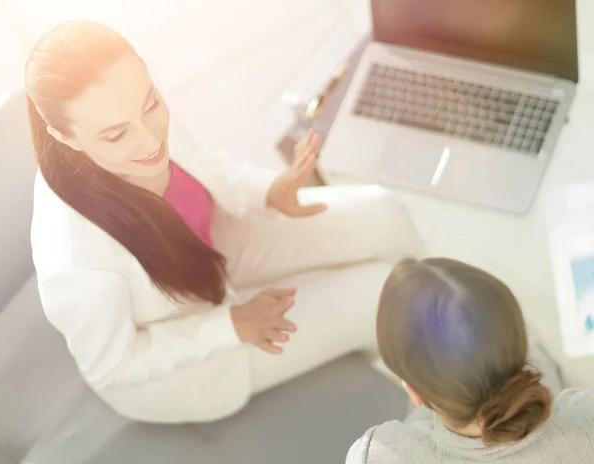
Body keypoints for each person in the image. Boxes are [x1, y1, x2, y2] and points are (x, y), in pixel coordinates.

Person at [27, 19, 421, 423]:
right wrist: (230, 326)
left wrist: (269, 191)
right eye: (116, 136)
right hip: (191, 346)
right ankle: (430, 379)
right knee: (383, 295)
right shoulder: (75, 261)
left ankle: (427, 328)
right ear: (64, 136)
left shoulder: (129, 102)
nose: (150, 142)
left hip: (214, 246)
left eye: (151, 106)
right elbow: (112, 368)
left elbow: (207, 163)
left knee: (385, 212)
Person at [347, 258, 594, 463]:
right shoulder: (586, 417)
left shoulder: (377, 455)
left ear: (415, 392)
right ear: (518, 340)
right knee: (541, 360)